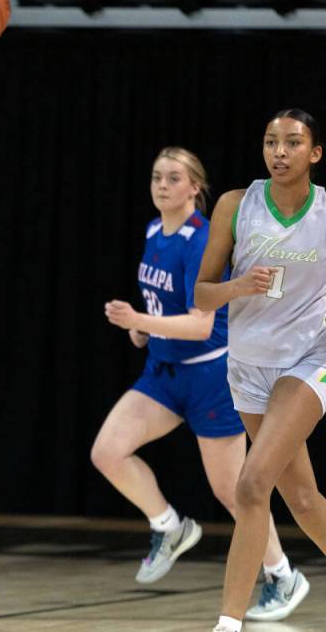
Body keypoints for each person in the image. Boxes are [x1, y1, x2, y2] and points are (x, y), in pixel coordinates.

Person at [93, 147, 304, 619]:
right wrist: (144, 327)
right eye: (156, 177)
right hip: (164, 374)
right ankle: (168, 525)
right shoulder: (153, 232)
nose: (162, 185)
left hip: (210, 376)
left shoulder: (201, 239)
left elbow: (201, 325)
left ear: (195, 187)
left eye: (173, 178)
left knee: (234, 492)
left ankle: (284, 576)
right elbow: (166, 313)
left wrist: (142, 317)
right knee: (107, 451)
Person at [195, 110, 326, 632]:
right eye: (272, 141)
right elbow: (202, 294)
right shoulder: (234, 205)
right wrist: (238, 286)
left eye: (293, 143)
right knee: (303, 499)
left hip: (309, 361)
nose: (280, 151)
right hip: (248, 367)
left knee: (250, 487)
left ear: (314, 153)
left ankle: (227, 625)